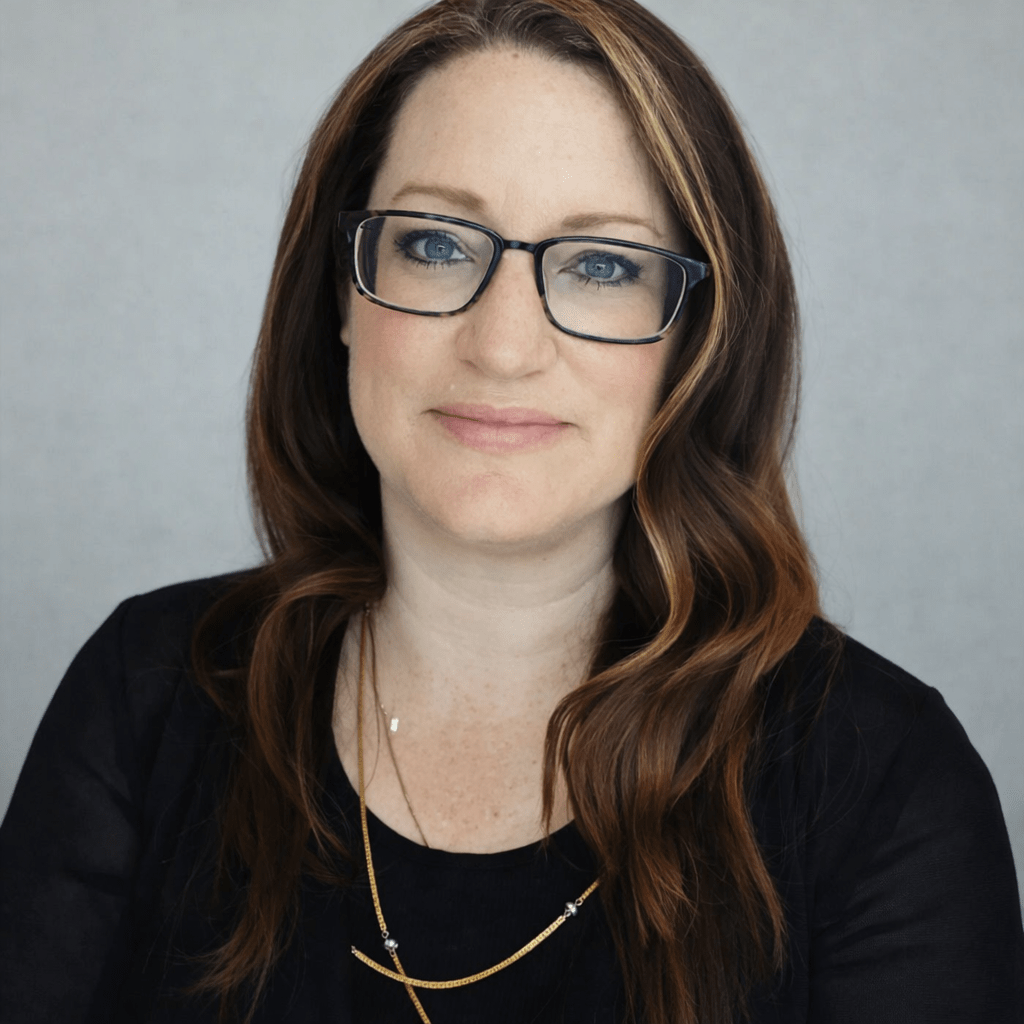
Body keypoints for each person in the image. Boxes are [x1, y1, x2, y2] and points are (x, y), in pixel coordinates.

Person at [1, 0, 1021, 1021]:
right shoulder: (147, 697)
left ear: (698, 340)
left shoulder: (884, 783)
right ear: (343, 294)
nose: (501, 347)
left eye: (602, 265)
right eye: (436, 245)